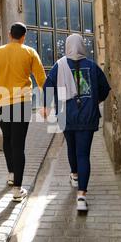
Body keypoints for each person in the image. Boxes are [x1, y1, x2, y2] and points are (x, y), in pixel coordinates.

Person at [42, 34, 111, 212]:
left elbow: (47, 86)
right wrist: (95, 100)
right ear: (82, 46)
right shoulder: (93, 66)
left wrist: (45, 106)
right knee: (83, 154)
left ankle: (74, 175)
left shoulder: (60, 65)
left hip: (66, 115)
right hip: (87, 116)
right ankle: (81, 196)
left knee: (71, 148)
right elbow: (105, 89)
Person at [0, 22, 46, 202]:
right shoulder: (30, 52)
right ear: (23, 36)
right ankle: (17, 188)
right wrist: (47, 103)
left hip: (1, 104)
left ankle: (11, 173)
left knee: (7, 140)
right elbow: (41, 80)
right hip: (22, 104)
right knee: (18, 145)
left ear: (9, 34)